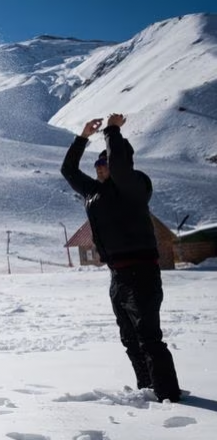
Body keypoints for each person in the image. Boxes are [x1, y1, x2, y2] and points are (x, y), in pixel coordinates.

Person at [60, 114, 181, 402]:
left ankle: (170, 397)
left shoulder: (134, 187)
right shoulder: (94, 192)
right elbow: (68, 170)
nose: (100, 168)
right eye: (98, 165)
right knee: (130, 339)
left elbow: (120, 167)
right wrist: (82, 137)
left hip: (142, 273)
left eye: (105, 163)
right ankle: (147, 388)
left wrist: (112, 131)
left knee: (149, 338)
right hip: (118, 276)